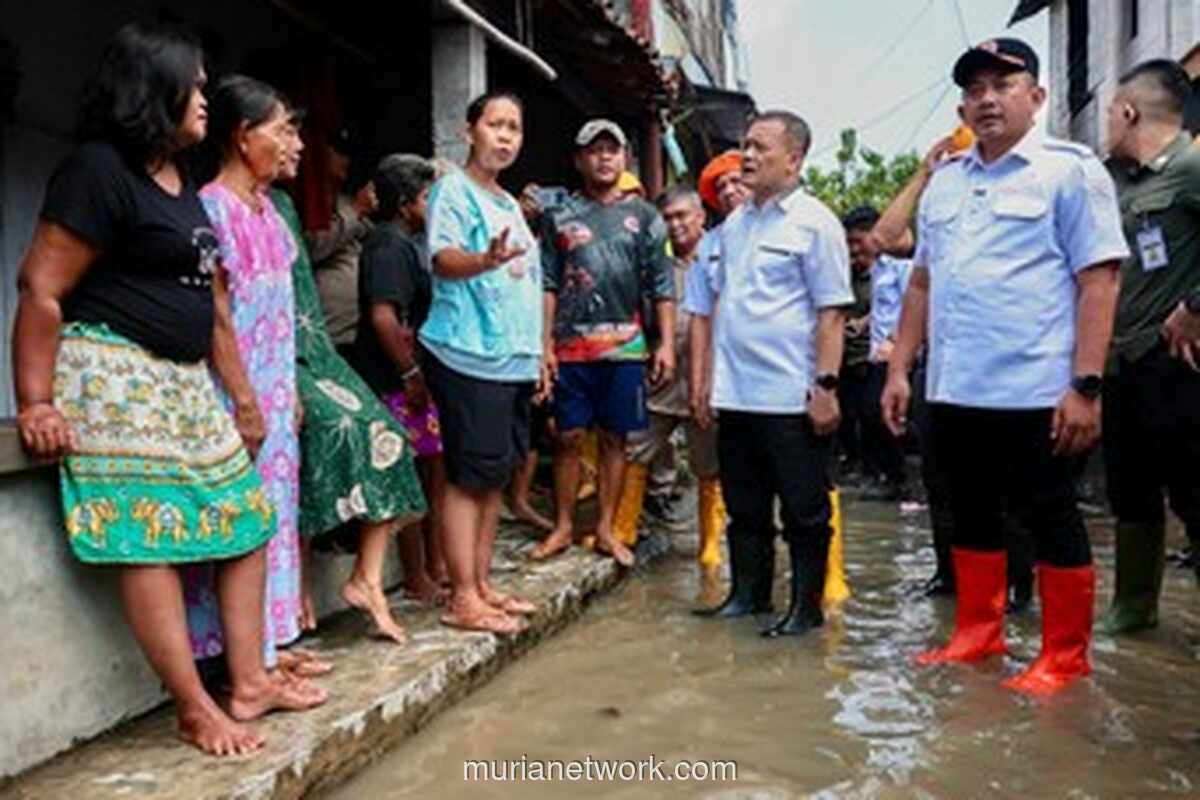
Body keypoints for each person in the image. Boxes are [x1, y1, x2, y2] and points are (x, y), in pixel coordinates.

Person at [12, 25, 320, 756]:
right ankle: (193, 707)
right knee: (146, 534)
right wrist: (35, 400)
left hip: (181, 379)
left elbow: (209, 301)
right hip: (112, 370)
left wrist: (242, 397)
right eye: (198, 84)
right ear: (156, 89)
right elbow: (41, 287)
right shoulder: (97, 170)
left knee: (247, 517)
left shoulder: (179, 182)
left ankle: (248, 681)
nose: (207, 100)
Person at [882, 38, 1128, 694]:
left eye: (1003, 85)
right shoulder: (947, 183)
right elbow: (921, 285)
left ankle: (1065, 655)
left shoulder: (1070, 172)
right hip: (957, 386)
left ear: (1037, 96)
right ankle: (977, 633)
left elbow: (1099, 280)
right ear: (962, 103)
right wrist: (901, 369)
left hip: (1036, 388)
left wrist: (1086, 385)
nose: (987, 99)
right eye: (975, 89)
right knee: (969, 512)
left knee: (1050, 514)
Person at [183, 76, 331, 695]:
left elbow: (281, 314)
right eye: (284, 128)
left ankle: (266, 650)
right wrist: (245, 401)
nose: (294, 142)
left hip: (272, 392)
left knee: (272, 519)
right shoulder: (214, 208)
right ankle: (239, 664)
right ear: (244, 137)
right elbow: (219, 318)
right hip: (234, 396)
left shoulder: (269, 213)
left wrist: (287, 390)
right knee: (238, 526)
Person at [690, 110, 853, 638]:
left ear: (795, 158)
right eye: (746, 145)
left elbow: (831, 312)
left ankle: (805, 609)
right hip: (738, 394)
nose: (749, 156)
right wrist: (709, 382)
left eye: (761, 147)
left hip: (792, 395)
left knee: (805, 510)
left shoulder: (815, 222)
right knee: (745, 507)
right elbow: (717, 310)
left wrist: (826, 387)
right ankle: (748, 595)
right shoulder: (733, 227)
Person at [273, 117, 427, 645]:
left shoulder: (285, 206)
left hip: (316, 353)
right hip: (273, 360)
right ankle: (296, 590)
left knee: (385, 433)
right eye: (283, 132)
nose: (294, 145)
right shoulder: (235, 205)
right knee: (310, 447)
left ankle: (365, 578)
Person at [421, 90, 546, 634]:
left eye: (514, 128)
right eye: (495, 124)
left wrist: (539, 353)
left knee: (493, 477)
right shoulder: (454, 190)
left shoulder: (509, 203)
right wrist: (484, 260)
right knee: (467, 478)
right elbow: (444, 260)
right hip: (468, 353)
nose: (505, 136)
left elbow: (531, 283)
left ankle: (483, 583)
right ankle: (462, 595)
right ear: (469, 130)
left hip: (511, 358)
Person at [531, 119, 677, 567]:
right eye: (594, 150)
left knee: (617, 440)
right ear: (579, 160)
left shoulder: (646, 218)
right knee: (568, 437)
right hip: (571, 348)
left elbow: (662, 285)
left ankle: (607, 529)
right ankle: (561, 526)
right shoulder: (559, 216)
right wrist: (545, 345)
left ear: (625, 158)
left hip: (626, 349)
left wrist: (667, 343)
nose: (604, 157)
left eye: (612, 149)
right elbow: (548, 284)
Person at [1100, 59, 1200, 633]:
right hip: (1124, 364)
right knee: (1130, 490)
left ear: (1130, 112)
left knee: (1194, 492)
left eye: (1112, 111)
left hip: (1181, 367)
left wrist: (1196, 305)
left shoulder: (1191, 166)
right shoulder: (1117, 182)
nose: (1109, 121)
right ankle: (1134, 607)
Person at [354, 153, 450, 608]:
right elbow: (383, 315)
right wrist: (409, 374)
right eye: (429, 195)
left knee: (432, 467)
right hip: (394, 377)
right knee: (411, 472)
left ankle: (435, 565)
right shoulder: (389, 245)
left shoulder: (408, 241)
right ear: (407, 200)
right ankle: (416, 573)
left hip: (411, 374)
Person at [613, 186, 724, 573]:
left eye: (682, 216)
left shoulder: (720, 259)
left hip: (709, 379)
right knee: (636, 448)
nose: (675, 224)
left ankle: (711, 544)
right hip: (661, 376)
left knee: (708, 463)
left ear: (701, 217)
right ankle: (623, 527)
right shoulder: (654, 269)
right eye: (668, 218)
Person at [843, 205, 911, 501]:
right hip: (875, 353)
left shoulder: (902, 265)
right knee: (869, 413)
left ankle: (898, 478)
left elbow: (914, 307)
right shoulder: (876, 270)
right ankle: (886, 477)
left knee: (879, 411)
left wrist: (897, 342)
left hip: (896, 354)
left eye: (860, 240)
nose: (855, 248)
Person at [308, 127, 377, 359]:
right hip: (328, 331)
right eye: (338, 151)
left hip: (357, 329)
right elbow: (312, 249)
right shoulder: (307, 204)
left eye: (348, 153)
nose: (345, 159)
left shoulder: (347, 201)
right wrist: (356, 212)